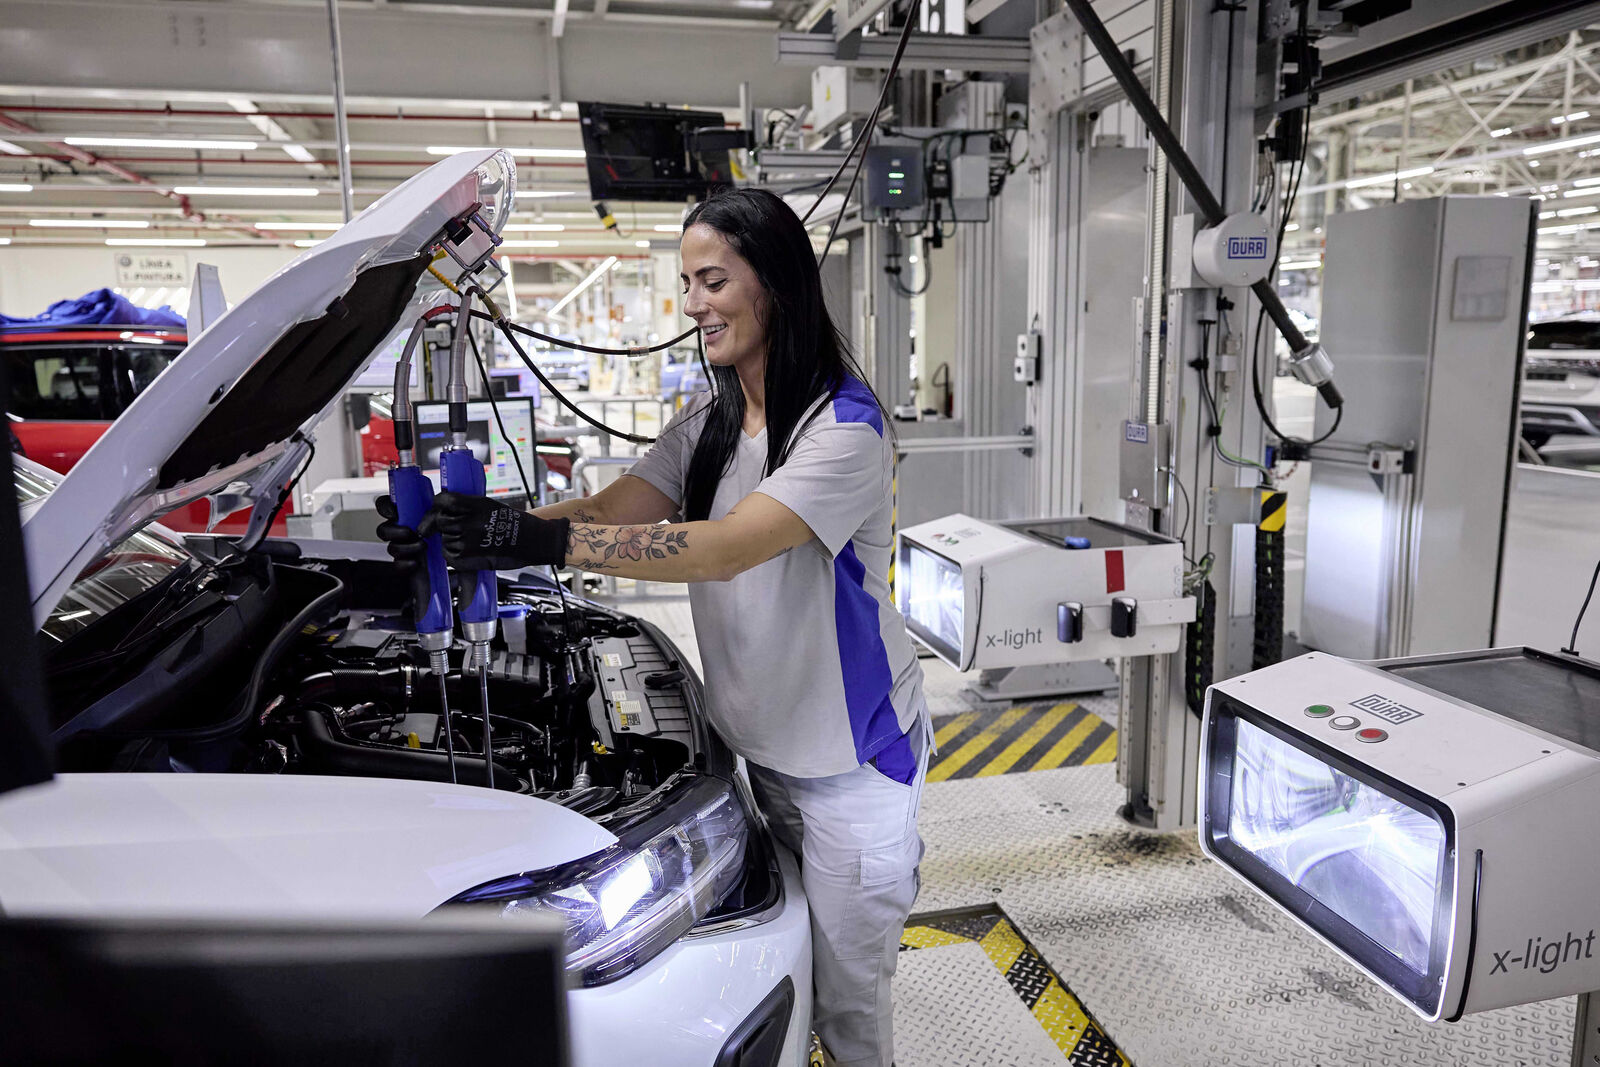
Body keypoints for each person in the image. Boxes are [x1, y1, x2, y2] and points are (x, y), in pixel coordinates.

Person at [377, 187, 930, 1067]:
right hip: (763, 751)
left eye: (713, 280)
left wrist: (538, 538)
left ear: (775, 285)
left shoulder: (844, 431)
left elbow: (723, 548)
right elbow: (608, 507)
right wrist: (472, 534)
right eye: (688, 282)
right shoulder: (710, 422)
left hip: (852, 766)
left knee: (850, 1013)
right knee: (795, 979)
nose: (694, 303)